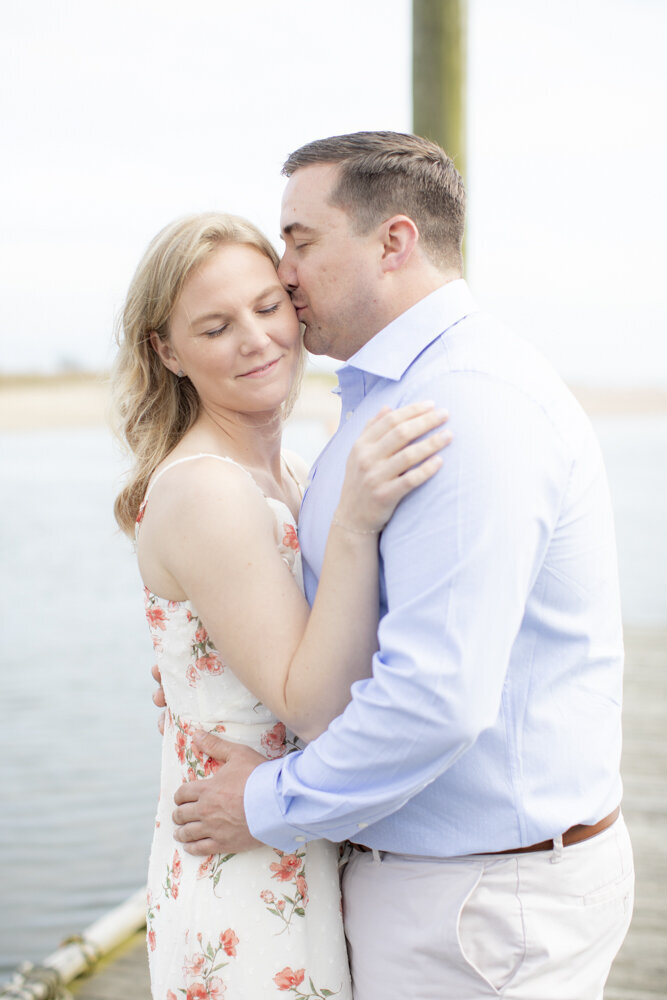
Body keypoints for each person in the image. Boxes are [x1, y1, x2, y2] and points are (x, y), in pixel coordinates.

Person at [169, 133, 635, 1000]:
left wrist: (263, 805)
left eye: (301, 239)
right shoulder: (395, 391)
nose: (284, 270)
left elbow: (434, 697)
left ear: (392, 242)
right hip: (447, 892)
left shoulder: (462, 405)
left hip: (481, 906)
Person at [111, 210, 449, 1000]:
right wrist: (358, 522)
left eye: (268, 307)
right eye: (216, 326)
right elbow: (311, 700)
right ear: (167, 351)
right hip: (241, 868)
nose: (257, 339)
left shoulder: (290, 472)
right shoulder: (205, 491)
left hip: (290, 837)